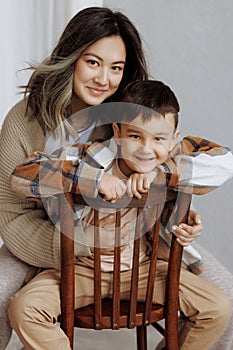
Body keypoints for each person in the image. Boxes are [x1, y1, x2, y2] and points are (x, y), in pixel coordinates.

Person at [0, 6, 232, 349]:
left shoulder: (133, 117)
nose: (103, 79)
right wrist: (73, 244)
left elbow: (205, 159)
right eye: (92, 62)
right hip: (45, 240)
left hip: (138, 246)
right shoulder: (27, 119)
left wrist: (161, 179)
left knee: (224, 296)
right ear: (70, 58)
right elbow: (14, 203)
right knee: (4, 295)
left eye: (116, 68)